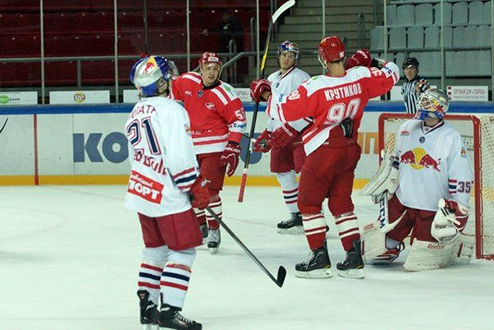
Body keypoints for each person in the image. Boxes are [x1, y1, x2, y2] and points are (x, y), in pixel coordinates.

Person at [250, 36, 400, 279]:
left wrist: (265, 94)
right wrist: (373, 61)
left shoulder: (316, 85)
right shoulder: (361, 76)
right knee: (341, 204)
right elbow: (393, 72)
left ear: (322, 59)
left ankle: (319, 257)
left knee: (308, 203)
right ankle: (353, 257)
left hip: (323, 151)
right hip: (350, 150)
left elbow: (284, 109)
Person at [125, 55, 208, 329]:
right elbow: (179, 156)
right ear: (160, 83)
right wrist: (193, 185)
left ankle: (147, 305)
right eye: (168, 78)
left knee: (155, 250)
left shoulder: (136, 112)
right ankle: (170, 310)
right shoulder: (172, 110)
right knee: (183, 252)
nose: (171, 81)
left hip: (142, 191)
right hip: (168, 196)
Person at [360, 89, 474, 271]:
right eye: (422, 102)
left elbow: (461, 173)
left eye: (428, 103)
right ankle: (394, 245)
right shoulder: (406, 128)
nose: (423, 106)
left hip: (430, 207)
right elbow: (396, 160)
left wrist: (458, 205)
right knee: (375, 251)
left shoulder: (451, 137)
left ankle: (454, 247)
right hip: (403, 201)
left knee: (420, 258)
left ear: (440, 109)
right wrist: (387, 179)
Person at [170, 52, 246, 254]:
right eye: (208, 69)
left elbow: (238, 120)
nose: (212, 73)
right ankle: (201, 226)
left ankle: (214, 230)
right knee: (192, 190)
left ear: (219, 69)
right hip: (191, 147)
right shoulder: (186, 80)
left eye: (215, 69)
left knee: (210, 192)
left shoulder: (226, 92)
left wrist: (233, 145)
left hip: (215, 149)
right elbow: (172, 89)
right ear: (200, 69)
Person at [253, 40, 311, 235]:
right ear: (279, 55)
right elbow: (274, 112)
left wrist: (290, 129)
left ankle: (313, 216)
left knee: (307, 176)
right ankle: (296, 215)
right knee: (283, 174)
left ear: (296, 58)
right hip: (278, 135)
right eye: (284, 55)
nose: (287, 59)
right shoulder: (271, 77)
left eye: (291, 55)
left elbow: (308, 110)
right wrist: (267, 133)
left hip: (297, 134)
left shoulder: (302, 77)